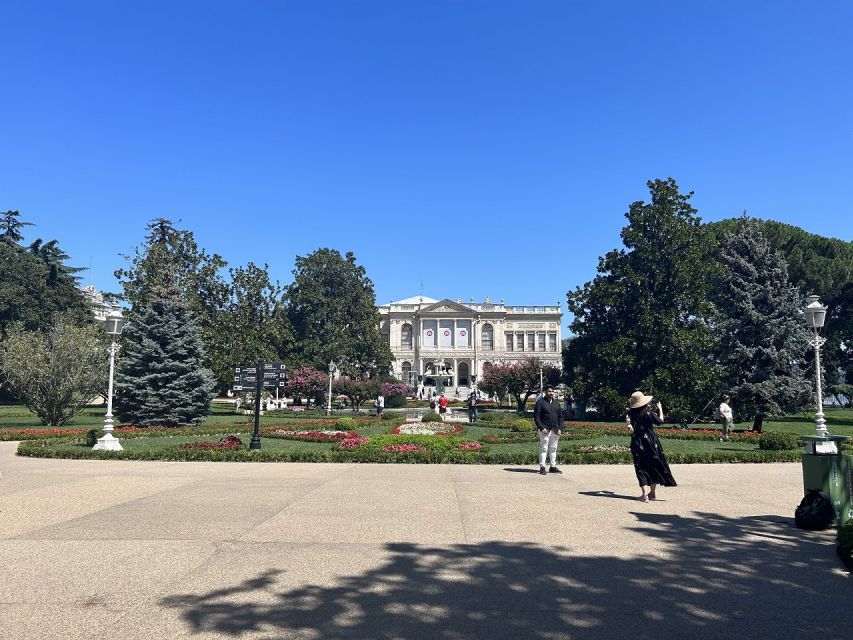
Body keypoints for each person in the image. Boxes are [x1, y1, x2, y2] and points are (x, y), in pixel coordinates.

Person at [627, 391, 676, 502]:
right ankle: (652, 493)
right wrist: (660, 409)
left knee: (640, 466)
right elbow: (660, 422)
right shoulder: (648, 413)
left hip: (637, 442)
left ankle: (644, 495)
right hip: (651, 442)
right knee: (653, 465)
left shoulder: (631, 413)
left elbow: (630, 425)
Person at [534, 384, 563, 475]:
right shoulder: (540, 402)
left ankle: (553, 467)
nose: (551, 393)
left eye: (552, 391)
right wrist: (542, 427)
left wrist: (560, 428)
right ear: (545, 392)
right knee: (544, 448)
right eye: (549, 391)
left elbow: (560, 417)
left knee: (553, 448)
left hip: (555, 430)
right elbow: (536, 416)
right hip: (545, 430)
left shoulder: (556, 403)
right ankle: (542, 467)